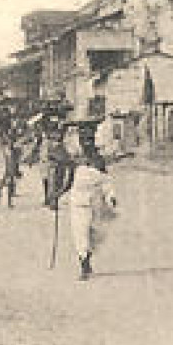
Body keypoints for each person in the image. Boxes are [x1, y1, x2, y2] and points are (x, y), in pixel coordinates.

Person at [52, 119, 117, 280]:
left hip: (96, 203)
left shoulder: (98, 160)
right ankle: (84, 263)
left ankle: (87, 255)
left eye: (89, 139)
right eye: (83, 139)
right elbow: (68, 181)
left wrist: (110, 196)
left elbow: (106, 181)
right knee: (80, 233)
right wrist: (57, 194)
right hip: (78, 202)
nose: (87, 143)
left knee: (93, 233)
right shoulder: (73, 160)